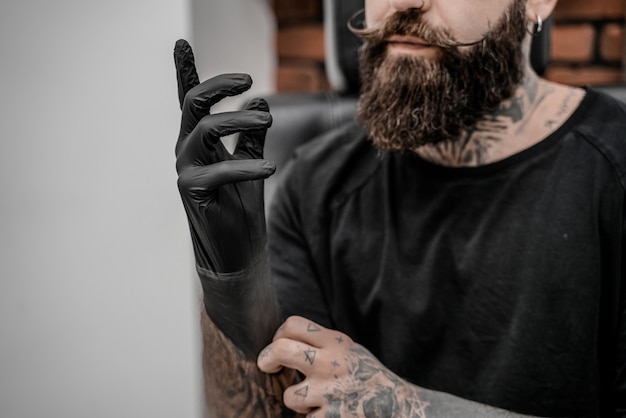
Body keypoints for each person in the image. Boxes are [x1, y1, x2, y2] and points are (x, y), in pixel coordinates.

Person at [173, 0, 626, 416]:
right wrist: (233, 288)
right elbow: (268, 410)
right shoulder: (315, 184)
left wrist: (407, 408)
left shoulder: (614, 170)